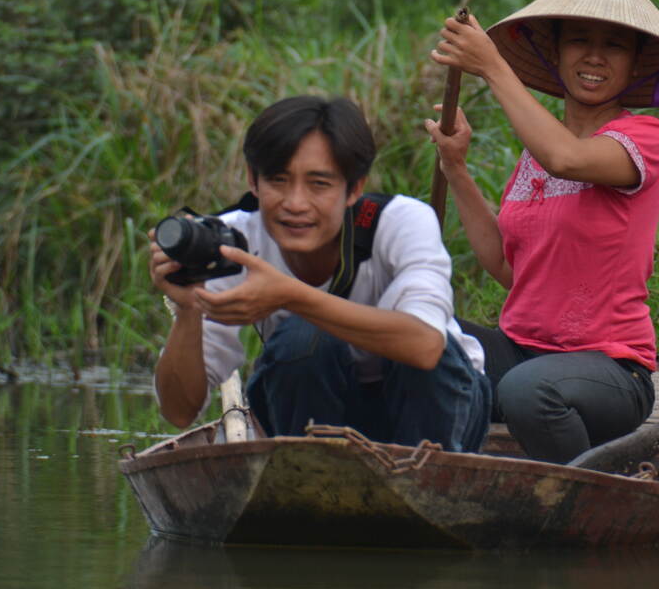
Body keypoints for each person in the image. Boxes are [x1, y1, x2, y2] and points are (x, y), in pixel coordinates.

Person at [425, 0, 659, 464]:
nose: (594, 56)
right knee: (413, 335)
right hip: (520, 352)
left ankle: (593, 493)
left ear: (635, 65)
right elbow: (508, 268)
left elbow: (568, 158)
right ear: (555, 54)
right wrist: (456, 167)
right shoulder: (536, 153)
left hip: (609, 370)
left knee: (528, 391)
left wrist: (493, 67)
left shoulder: (645, 139)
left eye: (614, 46)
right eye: (579, 40)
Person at [149, 95, 491, 453]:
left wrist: (290, 295)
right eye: (278, 180)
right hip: (317, 414)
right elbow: (179, 411)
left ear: (354, 188)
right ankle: (312, 474)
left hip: (440, 410)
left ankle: (425, 478)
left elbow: (425, 348)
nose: (296, 204)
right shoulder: (230, 243)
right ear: (253, 180)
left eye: (319, 184)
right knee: (302, 340)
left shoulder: (400, 222)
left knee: (409, 351)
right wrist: (188, 309)